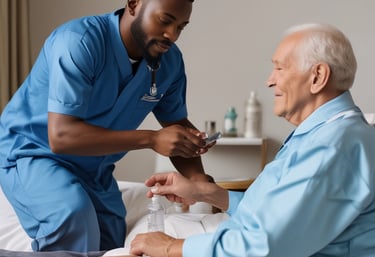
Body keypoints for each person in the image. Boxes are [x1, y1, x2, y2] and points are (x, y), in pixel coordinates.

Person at [129, 23, 375, 257]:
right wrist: (206, 192)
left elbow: (265, 246)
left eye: (280, 68)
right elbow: (282, 212)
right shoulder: (327, 134)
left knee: (134, 243)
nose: (270, 80)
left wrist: (170, 247)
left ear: (317, 76)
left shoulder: (332, 148)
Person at [0, 0, 215, 253]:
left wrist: (199, 183)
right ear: (134, 3)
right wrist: (152, 139)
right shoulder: (78, 42)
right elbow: (61, 137)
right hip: (34, 154)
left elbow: (176, 125)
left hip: (94, 167)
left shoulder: (170, 62)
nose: (172, 35)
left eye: (181, 26)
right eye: (165, 20)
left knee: (112, 242)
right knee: (72, 214)